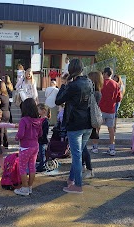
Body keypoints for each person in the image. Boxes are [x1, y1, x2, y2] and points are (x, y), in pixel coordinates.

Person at [55, 58, 92, 194]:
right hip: (88, 123)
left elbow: (58, 100)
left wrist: (64, 84)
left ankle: (78, 185)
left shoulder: (72, 85)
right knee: (78, 153)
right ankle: (72, 179)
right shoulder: (89, 82)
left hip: (75, 123)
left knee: (76, 156)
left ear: (71, 70)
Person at [14, 98, 43, 196]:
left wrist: (16, 137)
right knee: (32, 166)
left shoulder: (23, 120)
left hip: (25, 147)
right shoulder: (38, 120)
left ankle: (24, 188)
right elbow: (40, 134)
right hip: (35, 146)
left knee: (22, 167)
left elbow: (20, 134)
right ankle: (30, 187)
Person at [98, 67, 121, 156]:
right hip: (111, 110)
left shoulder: (101, 83)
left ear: (105, 73)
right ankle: (112, 148)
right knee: (111, 129)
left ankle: (95, 147)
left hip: (101, 109)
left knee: (97, 128)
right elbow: (119, 98)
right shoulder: (116, 84)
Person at [88, 71, 104, 154]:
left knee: (92, 131)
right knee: (95, 130)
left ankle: (94, 146)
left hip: (90, 113)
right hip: (96, 113)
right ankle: (95, 146)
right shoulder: (99, 92)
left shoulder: (93, 93)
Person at [0, 81, 10, 148]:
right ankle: (5, 144)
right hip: (7, 113)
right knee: (5, 129)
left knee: (0, 130)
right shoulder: (6, 95)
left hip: (1, 113)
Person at [36, 103, 50, 172]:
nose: (37, 111)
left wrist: (41, 137)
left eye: (38, 109)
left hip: (43, 139)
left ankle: (43, 165)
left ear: (43, 111)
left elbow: (45, 132)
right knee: (40, 153)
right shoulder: (39, 119)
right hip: (39, 139)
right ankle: (41, 164)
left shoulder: (45, 121)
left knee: (42, 153)